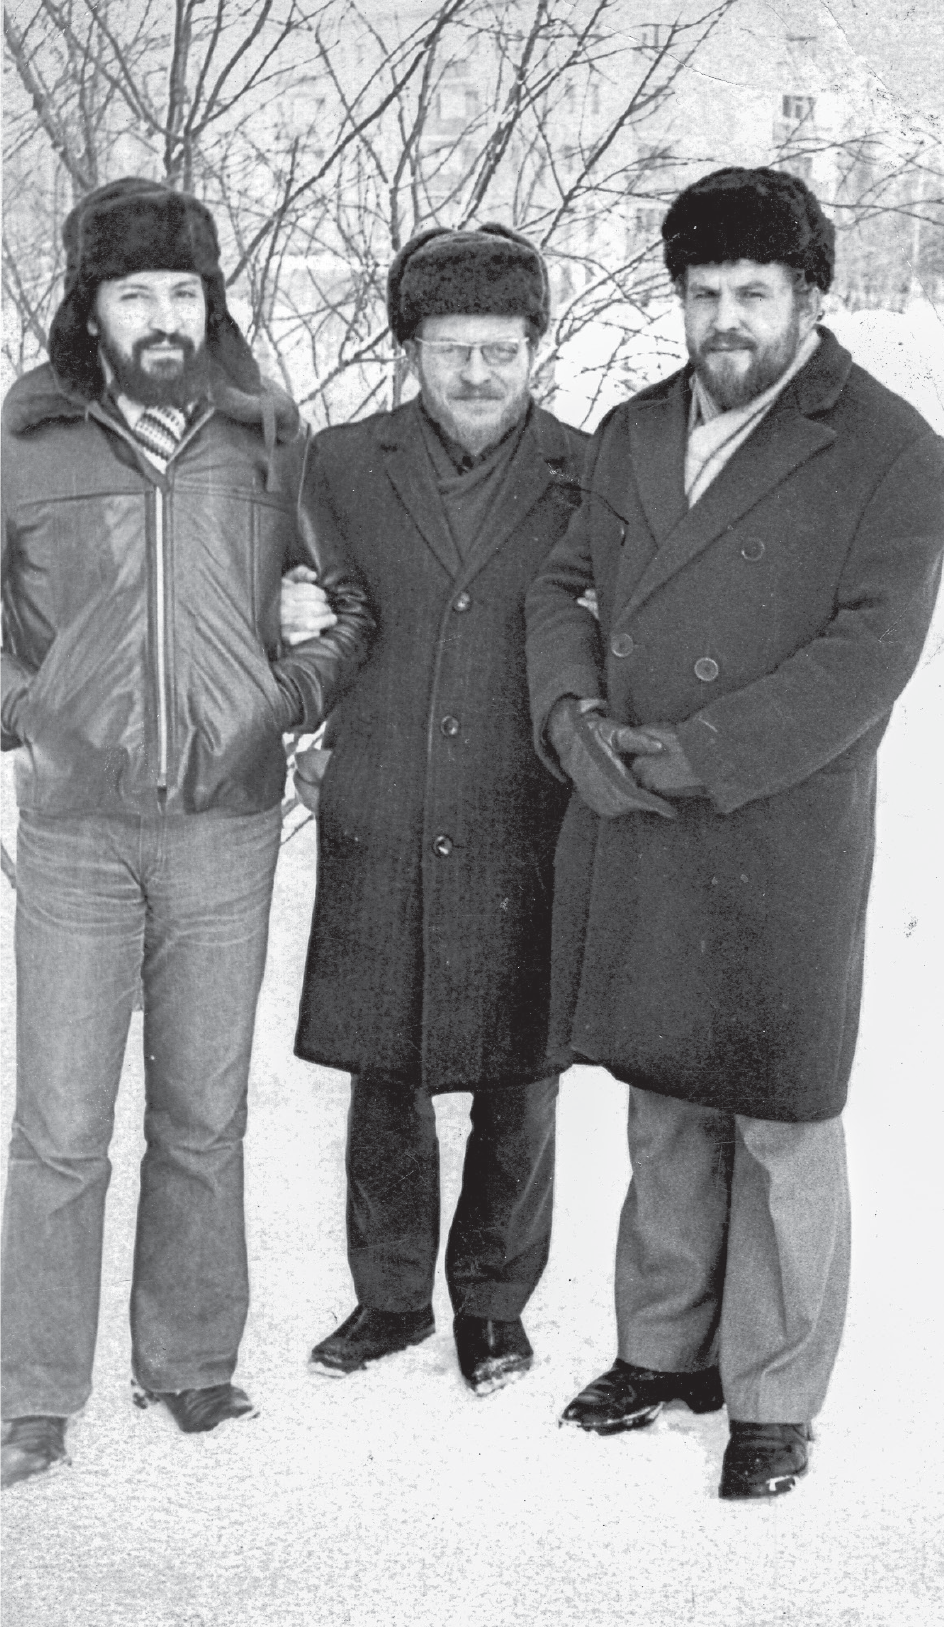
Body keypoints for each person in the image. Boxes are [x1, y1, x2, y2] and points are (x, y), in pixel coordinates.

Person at [525, 167, 944, 1499]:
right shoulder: (631, 427)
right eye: (700, 294)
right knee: (664, 1090)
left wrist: (705, 751)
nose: (724, 321)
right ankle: (660, 1351)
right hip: (637, 799)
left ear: (810, 297)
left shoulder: (889, 448)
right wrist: (568, 711)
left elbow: (864, 656)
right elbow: (561, 582)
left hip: (778, 818)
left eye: (752, 294)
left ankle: (770, 1395)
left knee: (776, 1104)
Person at [0, 178, 372, 1489]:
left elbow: (350, 615)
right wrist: (38, 709)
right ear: (88, 307)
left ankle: (192, 1359)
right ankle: (32, 1390)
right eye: (132, 290)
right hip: (74, 840)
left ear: (207, 303)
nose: (160, 314)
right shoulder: (26, 442)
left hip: (225, 829)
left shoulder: (270, 437)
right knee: (56, 1122)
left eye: (180, 290)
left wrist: (282, 700)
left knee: (203, 1111)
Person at [293, 225, 588, 1396]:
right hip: (385, 801)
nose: (476, 375)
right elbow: (319, 608)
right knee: (386, 1065)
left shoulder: (587, 466)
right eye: (451, 349)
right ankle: (389, 1296)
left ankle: (493, 1305)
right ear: (408, 347)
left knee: (521, 1075)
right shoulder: (341, 462)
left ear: (535, 349)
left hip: (527, 804)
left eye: (502, 351)